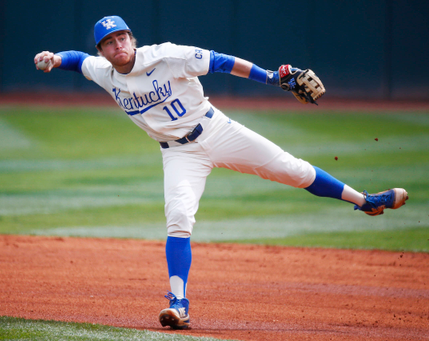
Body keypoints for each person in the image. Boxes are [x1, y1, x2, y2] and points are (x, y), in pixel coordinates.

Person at [34, 15, 408, 330]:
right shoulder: (103, 71)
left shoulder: (167, 56)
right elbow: (77, 60)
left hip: (217, 130)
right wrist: (54, 58)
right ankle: (179, 305)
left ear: (132, 39)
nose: (118, 45)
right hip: (179, 155)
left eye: (122, 37)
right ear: (103, 52)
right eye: (109, 43)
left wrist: (270, 77)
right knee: (178, 217)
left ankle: (365, 201)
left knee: (290, 168)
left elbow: (221, 61)